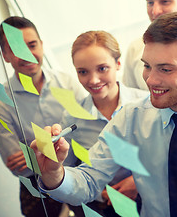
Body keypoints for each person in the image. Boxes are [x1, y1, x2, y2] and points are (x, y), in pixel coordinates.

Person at [31, 12, 177, 216]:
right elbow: (90, 180)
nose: (151, 80)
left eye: (165, 68)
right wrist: (55, 174)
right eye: (147, 66)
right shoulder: (131, 118)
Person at [0, 16, 86, 217]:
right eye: (16, 49)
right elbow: (19, 168)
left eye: (31, 45)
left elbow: (89, 135)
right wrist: (65, 143)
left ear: (41, 45)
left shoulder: (68, 82)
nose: (26, 54)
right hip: (37, 191)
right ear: (4, 55)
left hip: (80, 175)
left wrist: (33, 152)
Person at [61, 30, 148, 216]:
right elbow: (68, 170)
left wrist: (137, 182)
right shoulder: (72, 120)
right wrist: (100, 195)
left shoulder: (147, 104)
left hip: (152, 199)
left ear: (117, 64)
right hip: (104, 207)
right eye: (83, 72)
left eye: (102, 68)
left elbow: (167, 156)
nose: (93, 80)